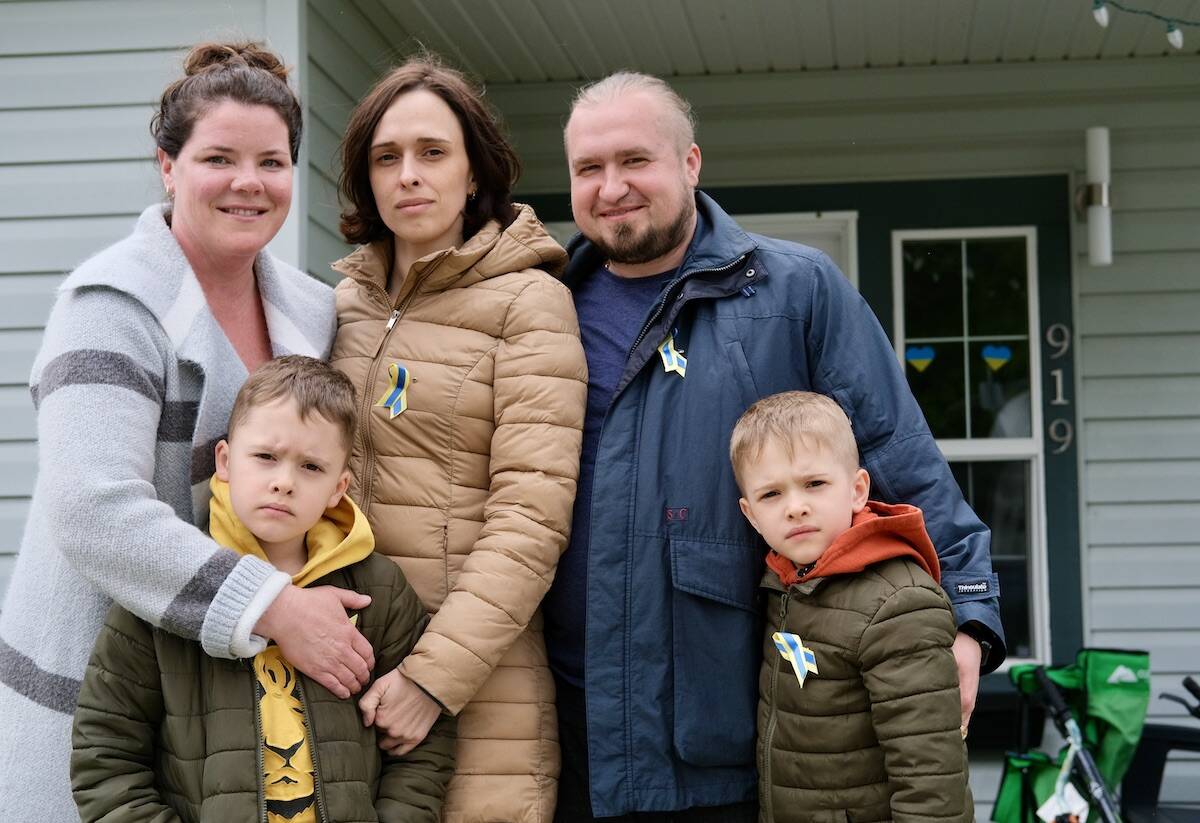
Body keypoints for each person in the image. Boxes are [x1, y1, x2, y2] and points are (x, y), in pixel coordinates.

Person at [544, 70, 1005, 820]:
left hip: (736, 735)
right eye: (588, 168)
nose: (612, 186)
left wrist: (969, 610)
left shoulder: (795, 291)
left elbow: (896, 451)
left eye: (635, 160)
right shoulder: (544, 304)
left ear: (691, 163)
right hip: (564, 737)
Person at [0, 43, 373, 819]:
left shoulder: (312, 310)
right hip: (105, 700)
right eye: (218, 158)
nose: (249, 182)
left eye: (271, 162)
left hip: (242, 717)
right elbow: (92, 509)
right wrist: (274, 607)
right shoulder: (110, 304)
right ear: (168, 166)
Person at [329, 56, 587, 823]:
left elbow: (531, 520)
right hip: (341, 678)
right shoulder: (342, 305)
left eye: (432, 152)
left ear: (474, 172)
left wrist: (431, 679)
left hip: (477, 697)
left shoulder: (529, 303)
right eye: (386, 157)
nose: (408, 174)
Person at [71, 356, 456, 822]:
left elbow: (420, 747)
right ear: (225, 461)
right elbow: (106, 756)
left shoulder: (379, 591)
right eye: (266, 457)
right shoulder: (169, 588)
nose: (284, 482)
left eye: (310, 466)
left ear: (339, 488)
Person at [731, 391, 972, 822]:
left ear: (858, 490)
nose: (795, 507)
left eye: (815, 484)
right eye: (771, 494)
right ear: (750, 515)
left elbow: (930, 778)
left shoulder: (899, 604)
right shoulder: (783, 584)